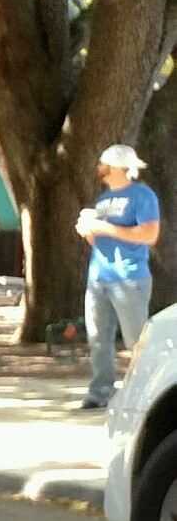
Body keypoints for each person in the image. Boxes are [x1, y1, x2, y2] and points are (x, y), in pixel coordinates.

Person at [76, 143, 159, 410]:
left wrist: (105, 227)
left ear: (119, 167)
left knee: (136, 341)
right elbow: (100, 242)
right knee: (98, 339)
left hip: (130, 278)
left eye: (104, 163)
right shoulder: (101, 200)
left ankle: (144, 393)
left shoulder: (142, 195)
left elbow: (149, 235)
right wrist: (88, 230)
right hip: (98, 278)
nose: (99, 167)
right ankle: (100, 393)